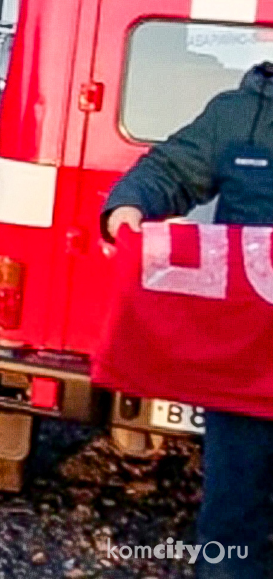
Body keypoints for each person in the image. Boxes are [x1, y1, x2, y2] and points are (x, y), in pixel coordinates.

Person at [103, 61, 273, 579]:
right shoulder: (237, 114)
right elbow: (169, 170)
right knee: (231, 531)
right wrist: (127, 207)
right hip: (248, 373)